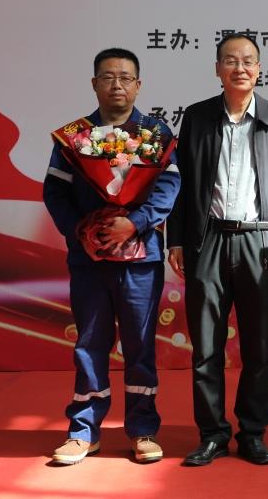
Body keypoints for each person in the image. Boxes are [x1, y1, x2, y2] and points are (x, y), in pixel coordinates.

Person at [167, 33, 268, 466]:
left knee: (259, 347)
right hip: (207, 241)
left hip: (260, 242)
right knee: (206, 346)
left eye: (248, 60)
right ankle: (211, 434)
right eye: (230, 60)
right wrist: (176, 238)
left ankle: (253, 433)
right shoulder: (197, 117)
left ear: (259, 69)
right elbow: (181, 184)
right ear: (217, 69)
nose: (239, 68)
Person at [44, 48, 180, 465]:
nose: (116, 85)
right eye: (108, 77)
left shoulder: (156, 134)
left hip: (140, 260)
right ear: (94, 84)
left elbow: (169, 189)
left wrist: (134, 223)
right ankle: (83, 431)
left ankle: (142, 430)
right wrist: (82, 232)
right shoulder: (75, 136)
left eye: (125, 77)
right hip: (90, 259)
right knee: (90, 343)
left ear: (138, 85)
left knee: (140, 345)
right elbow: (55, 193)